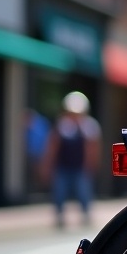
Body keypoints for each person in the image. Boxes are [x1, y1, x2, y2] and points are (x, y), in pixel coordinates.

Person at [42, 91, 101, 229]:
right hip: (63, 166)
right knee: (59, 192)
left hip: (80, 167)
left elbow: (93, 148)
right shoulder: (62, 125)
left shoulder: (90, 126)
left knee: (83, 192)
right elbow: (53, 146)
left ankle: (86, 215)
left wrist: (91, 165)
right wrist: (48, 164)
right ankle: (59, 216)